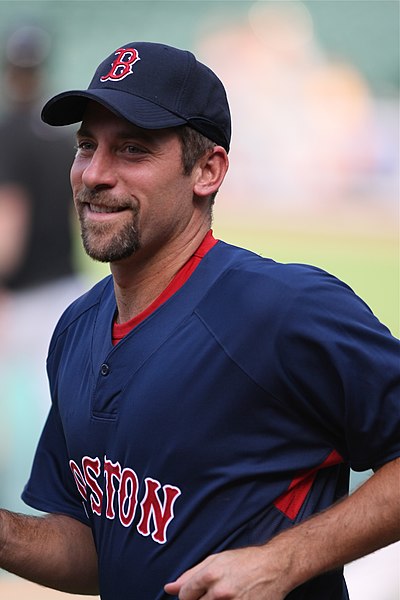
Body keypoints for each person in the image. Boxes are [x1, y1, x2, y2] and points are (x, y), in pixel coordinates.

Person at [0, 41, 398, 600]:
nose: (95, 173)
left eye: (132, 150)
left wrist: (283, 561)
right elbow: (100, 549)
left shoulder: (280, 308)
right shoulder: (77, 329)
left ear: (207, 170)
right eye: (87, 145)